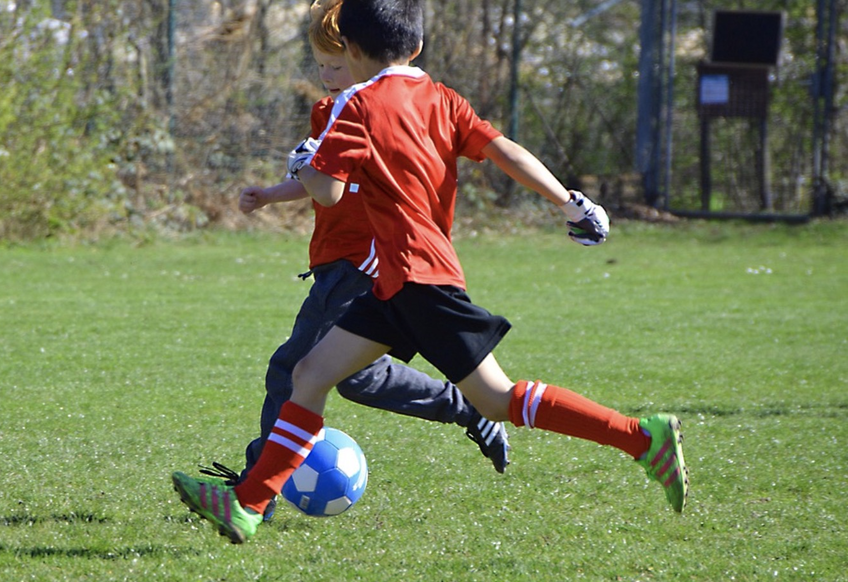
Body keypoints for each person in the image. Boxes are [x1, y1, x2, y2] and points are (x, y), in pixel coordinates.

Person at [174, 0, 688, 545]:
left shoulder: (355, 105)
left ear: (349, 49)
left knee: (497, 398)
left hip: (418, 278)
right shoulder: (442, 98)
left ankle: (640, 437)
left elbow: (327, 193)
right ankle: (247, 505)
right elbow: (506, 152)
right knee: (310, 374)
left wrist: (311, 161)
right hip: (394, 280)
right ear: (416, 45)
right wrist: (570, 202)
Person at [200, 0, 510, 520]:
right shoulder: (330, 109)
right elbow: (323, 182)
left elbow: (339, 191)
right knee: (356, 376)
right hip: (334, 259)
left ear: (365, 57)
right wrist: (274, 194)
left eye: (337, 65)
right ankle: (471, 407)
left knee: (293, 368)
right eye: (319, 64)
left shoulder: (375, 106)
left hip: (359, 263)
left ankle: (258, 492)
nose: (327, 76)